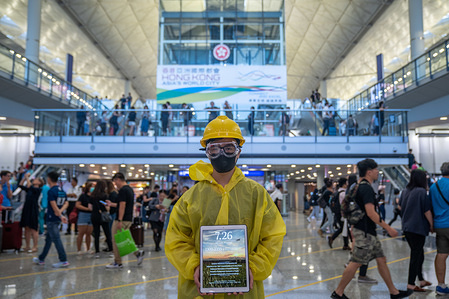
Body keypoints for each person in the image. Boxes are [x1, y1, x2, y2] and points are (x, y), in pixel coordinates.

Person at [165, 115, 286, 298]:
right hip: (199, 291)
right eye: (214, 149)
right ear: (207, 152)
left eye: (229, 148)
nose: (222, 154)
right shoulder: (190, 198)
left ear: (238, 152)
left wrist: (251, 268)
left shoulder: (257, 194)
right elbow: (176, 240)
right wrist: (195, 266)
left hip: (244, 292)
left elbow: (272, 237)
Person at [331, 158, 412, 299]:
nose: (377, 172)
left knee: (381, 260)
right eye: (376, 170)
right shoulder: (366, 188)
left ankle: (394, 292)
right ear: (369, 172)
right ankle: (338, 292)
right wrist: (388, 228)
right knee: (356, 262)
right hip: (365, 232)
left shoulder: (356, 186)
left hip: (367, 231)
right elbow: (371, 212)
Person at [399, 169, 433, 292]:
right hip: (418, 228)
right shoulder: (421, 191)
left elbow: (400, 207)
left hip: (407, 227)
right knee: (415, 255)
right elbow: (426, 211)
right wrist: (432, 225)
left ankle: (421, 279)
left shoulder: (405, 191)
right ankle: (410, 283)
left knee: (419, 253)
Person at [106, 173, 145, 269]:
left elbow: (122, 206)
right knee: (125, 239)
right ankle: (137, 253)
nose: (115, 184)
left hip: (122, 219)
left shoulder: (123, 190)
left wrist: (119, 220)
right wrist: (112, 204)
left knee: (115, 240)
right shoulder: (129, 189)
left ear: (118, 179)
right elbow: (123, 205)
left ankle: (117, 262)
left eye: (115, 182)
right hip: (128, 218)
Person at [33, 171, 70, 268]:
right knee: (48, 239)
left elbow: (53, 206)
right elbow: (66, 203)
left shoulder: (51, 191)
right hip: (57, 218)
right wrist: (60, 213)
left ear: (49, 179)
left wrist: (59, 213)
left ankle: (63, 260)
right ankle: (41, 259)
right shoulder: (61, 190)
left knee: (56, 239)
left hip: (52, 219)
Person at [429, 162, 449, 295]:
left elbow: (429, 207)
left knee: (441, 254)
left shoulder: (433, 187)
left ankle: (441, 286)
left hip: (439, 225)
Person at [19, 173, 43, 253]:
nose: (34, 180)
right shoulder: (30, 188)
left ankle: (35, 246)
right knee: (26, 228)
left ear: (39, 183)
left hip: (33, 209)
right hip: (27, 208)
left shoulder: (38, 189)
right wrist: (24, 178)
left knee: (33, 228)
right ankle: (27, 246)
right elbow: (20, 185)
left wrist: (27, 178)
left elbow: (29, 185)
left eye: (36, 180)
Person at [90, 180, 113, 258]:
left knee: (96, 234)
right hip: (103, 215)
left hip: (94, 215)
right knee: (107, 233)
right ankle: (111, 250)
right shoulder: (105, 195)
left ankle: (97, 252)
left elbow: (90, 207)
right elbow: (107, 205)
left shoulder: (92, 195)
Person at [328, 178, 349, 250]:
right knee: (344, 228)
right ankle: (332, 238)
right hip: (341, 213)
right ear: (344, 184)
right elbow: (342, 205)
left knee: (344, 228)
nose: (347, 184)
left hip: (337, 213)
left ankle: (346, 245)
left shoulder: (337, 192)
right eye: (346, 183)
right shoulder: (343, 193)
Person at [75, 183, 93, 254]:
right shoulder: (82, 196)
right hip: (83, 215)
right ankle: (79, 249)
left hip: (91, 215)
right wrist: (86, 209)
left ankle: (88, 249)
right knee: (81, 233)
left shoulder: (94, 197)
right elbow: (77, 205)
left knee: (89, 233)